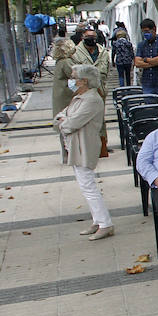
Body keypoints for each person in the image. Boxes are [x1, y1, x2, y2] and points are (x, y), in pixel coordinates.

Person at [55, 63, 115, 240]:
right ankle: (98, 220)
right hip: (75, 146)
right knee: (85, 185)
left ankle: (105, 223)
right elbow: (60, 116)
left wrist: (64, 122)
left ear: (84, 81)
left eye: (74, 77)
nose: (71, 80)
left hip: (85, 146)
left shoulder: (91, 99)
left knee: (88, 186)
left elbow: (71, 123)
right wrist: (65, 120)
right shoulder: (78, 98)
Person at [73, 26, 112, 154]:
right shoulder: (76, 52)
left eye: (93, 37)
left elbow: (105, 70)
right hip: (84, 90)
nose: (91, 40)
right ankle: (87, 146)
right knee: (84, 117)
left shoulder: (102, 52)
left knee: (100, 117)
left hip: (99, 89)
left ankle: (102, 144)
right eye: (88, 37)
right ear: (82, 38)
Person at [51, 38, 77, 118]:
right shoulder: (66, 62)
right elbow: (76, 75)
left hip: (60, 95)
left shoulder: (60, 61)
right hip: (67, 97)